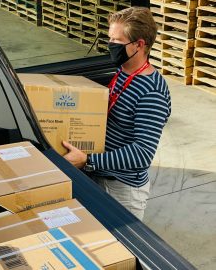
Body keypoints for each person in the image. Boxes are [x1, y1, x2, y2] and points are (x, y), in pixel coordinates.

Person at [63, 7, 171, 221]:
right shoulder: (123, 71)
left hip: (121, 189)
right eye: (109, 39)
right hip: (99, 176)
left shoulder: (152, 92)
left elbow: (142, 153)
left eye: (117, 41)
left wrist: (88, 160)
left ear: (139, 45)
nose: (110, 46)